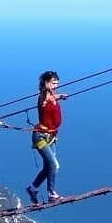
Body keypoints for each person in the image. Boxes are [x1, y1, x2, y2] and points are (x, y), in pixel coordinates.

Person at [26, 70, 67, 204]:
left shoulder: (52, 95)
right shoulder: (43, 96)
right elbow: (44, 98)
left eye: (57, 83)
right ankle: (51, 193)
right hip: (40, 137)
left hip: (51, 137)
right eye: (53, 83)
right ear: (46, 83)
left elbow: (52, 96)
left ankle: (33, 188)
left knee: (48, 167)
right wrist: (50, 95)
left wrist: (59, 96)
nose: (56, 86)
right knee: (54, 165)